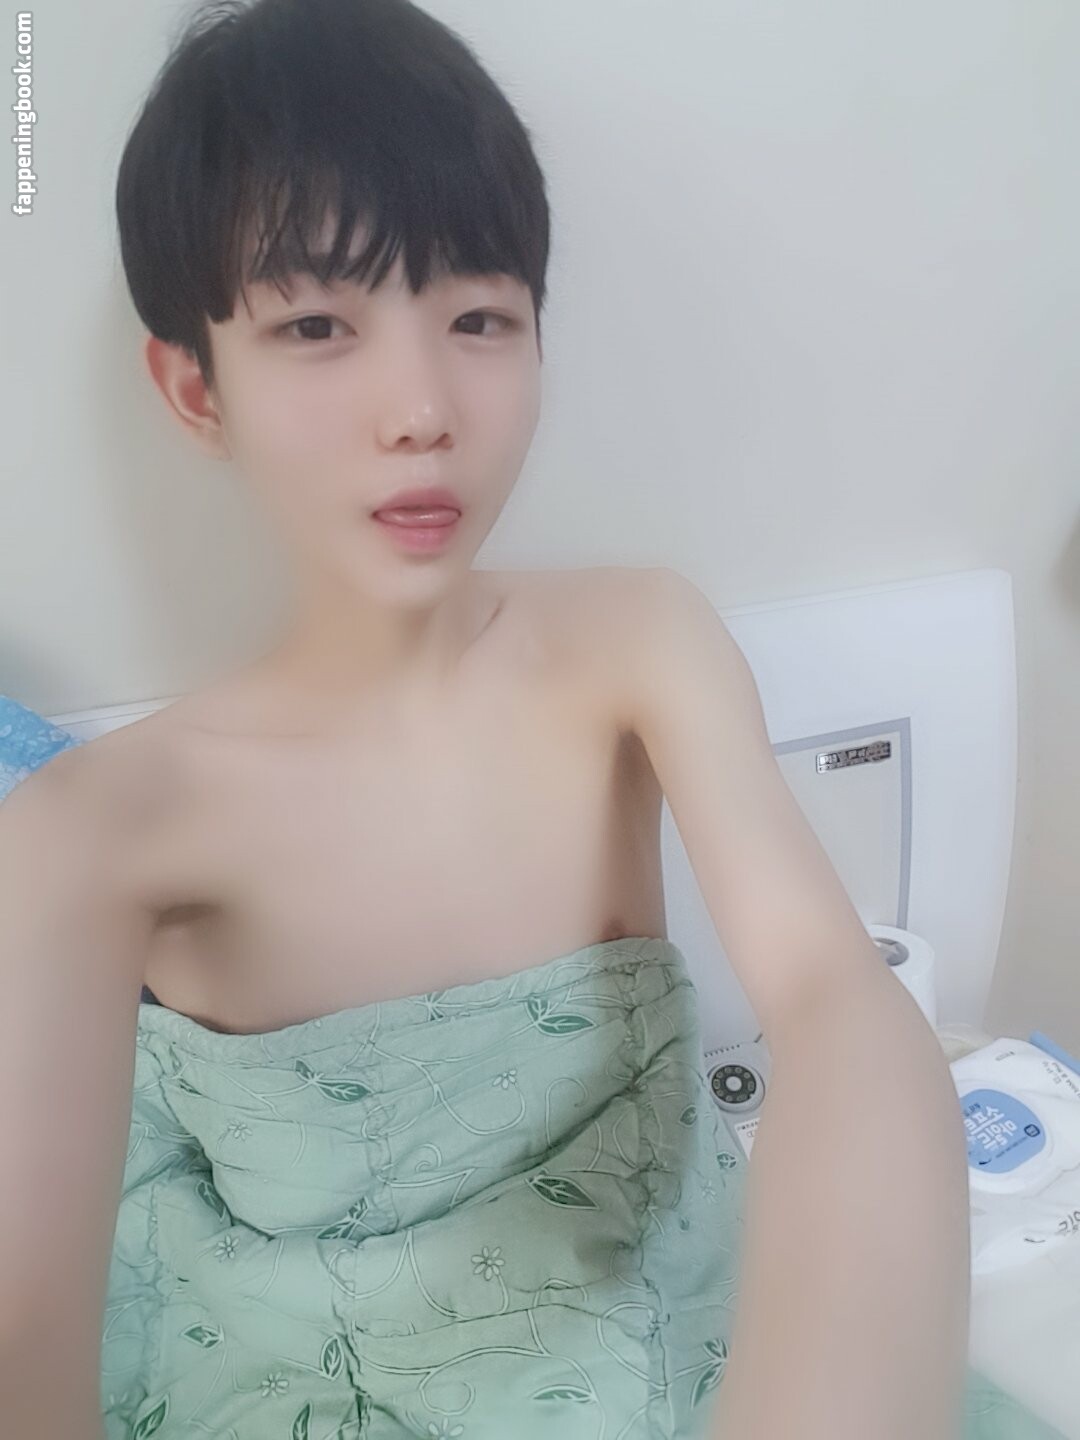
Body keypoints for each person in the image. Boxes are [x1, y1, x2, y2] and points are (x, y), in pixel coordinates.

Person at [3, 2, 1058, 1438]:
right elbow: (25, 1328)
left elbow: (831, 993)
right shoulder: (91, 831)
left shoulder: (634, 642)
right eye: (317, 327)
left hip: (684, 1345)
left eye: (480, 319)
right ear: (197, 388)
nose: (421, 408)